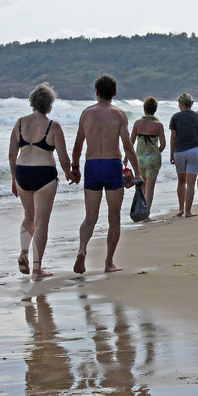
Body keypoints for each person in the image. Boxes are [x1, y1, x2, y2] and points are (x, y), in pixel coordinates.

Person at [71, 74, 141, 274]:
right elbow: (127, 145)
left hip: (92, 165)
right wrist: (137, 172)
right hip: (112, 165)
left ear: (96, 92)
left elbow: (78, 145)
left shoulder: (86, 113)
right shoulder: (119, 114)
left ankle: (82, 249)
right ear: (115, 93)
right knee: (114, 218)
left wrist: (74, 168)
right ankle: (109, 262)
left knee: (90, 217)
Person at [9, 83, 76, 279]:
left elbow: (12, 154)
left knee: (29, 216)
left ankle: (23, 252)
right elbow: (64, 158)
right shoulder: (53, 126)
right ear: (50, 104)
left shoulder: (20, 123)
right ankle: (37, 270)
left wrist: (14, 179)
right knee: (42, 222)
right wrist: (69, 173)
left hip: (22, 172)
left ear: (32, 102)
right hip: (44, 174)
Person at [168, 92, 198, 217]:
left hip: (179, 151)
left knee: (181, 182)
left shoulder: (175, 117)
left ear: (180, 104)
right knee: (191, 183)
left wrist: (171, 154)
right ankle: (188, 211)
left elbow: (173, 137)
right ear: (191, 104)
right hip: (194, 151)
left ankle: (181, 209)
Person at [129, 97, 166, 219]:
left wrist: (126, 158)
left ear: (144, 109)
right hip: (153, 158)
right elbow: (163, 144)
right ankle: (146, 214)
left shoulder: (137, 123)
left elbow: (131, 142)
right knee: (150, 187)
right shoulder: (158, 125)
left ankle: (140, 211)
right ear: (155, 110)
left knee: (142, 185)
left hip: (139, 158)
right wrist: (156, 152)